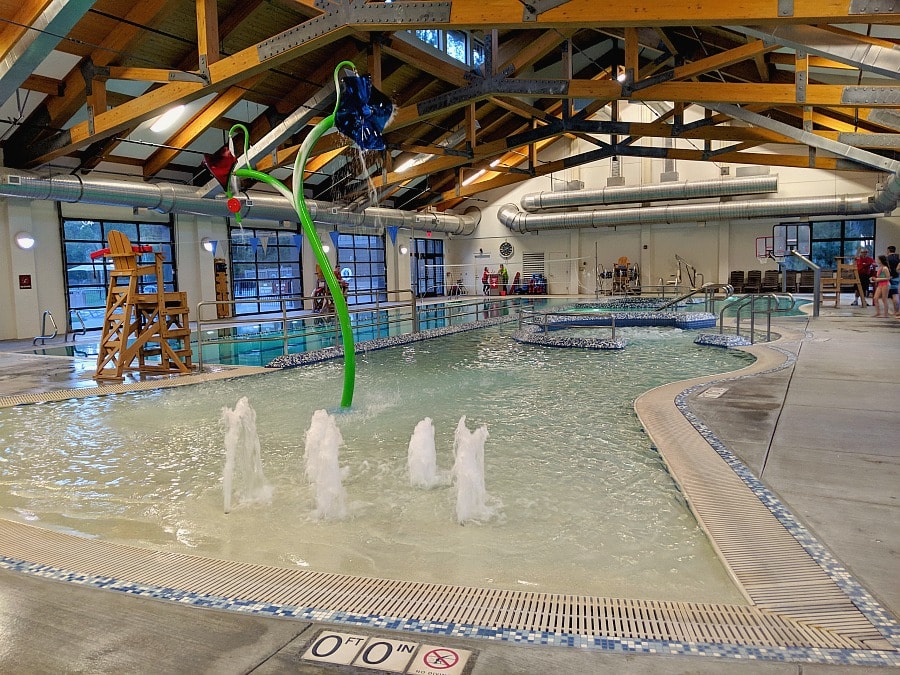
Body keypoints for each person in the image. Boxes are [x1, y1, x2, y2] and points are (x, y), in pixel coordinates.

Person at [887, 245, 900, 318]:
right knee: (895, 294)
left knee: (894, 295)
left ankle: (896, 311)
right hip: (897, 277)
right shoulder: (898, 257)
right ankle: (896, 311)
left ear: (888, 250)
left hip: (891, 277)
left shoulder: (887, 258)